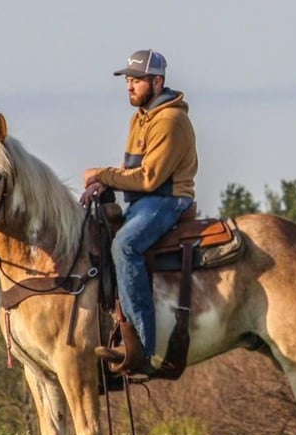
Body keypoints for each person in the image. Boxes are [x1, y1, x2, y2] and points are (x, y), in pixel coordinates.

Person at [81, 49, 197, 375]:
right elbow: (129, 169)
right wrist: (104, 185)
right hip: (143, 201)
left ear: (157, 82)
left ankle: (142, 349)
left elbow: (149, 177)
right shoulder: (141, 118)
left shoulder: (171, 121)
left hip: (167, 200)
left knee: (125, 246)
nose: (129, 87)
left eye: (136, 80)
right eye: (128, 80)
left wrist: (102, 175)